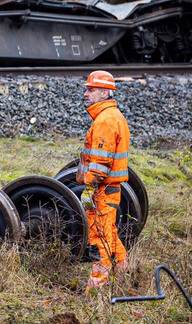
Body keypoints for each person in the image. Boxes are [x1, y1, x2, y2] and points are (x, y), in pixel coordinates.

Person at [77, 70, 130, 291]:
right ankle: (123, 271)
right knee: (109, 231)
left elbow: (100, 163)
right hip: (108, 188)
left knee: (98, 235)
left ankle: (98, 284)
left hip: (102, 188)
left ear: (105, 93)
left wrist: (89, 187)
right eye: (87, 89)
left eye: (92, 90)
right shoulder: (110, 116)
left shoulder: (106, 120)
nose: (87, 93)